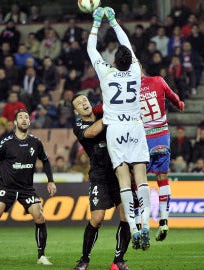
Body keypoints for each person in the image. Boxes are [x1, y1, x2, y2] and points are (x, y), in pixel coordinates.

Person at [87, 7, 151, 250]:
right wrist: (114, 22)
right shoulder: (135, 71)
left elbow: (91, 49)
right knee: (141, 178)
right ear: (131, 59)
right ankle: (144, 224)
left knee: (124, 179)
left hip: (115, 129)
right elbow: (127, 45)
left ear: (114, 61)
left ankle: (133, 228)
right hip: (135, 127)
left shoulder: (105, 73)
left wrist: (97, 23)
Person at [0, 109, 57, 265]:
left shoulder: (36, 142)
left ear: (29, 122)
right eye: (20, 117)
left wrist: (50, 180)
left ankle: (41, 256)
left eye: (26, 117)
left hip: (26, 189)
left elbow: (45, 160)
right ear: (15, 123)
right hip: (7, 187)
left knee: (40, 216)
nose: (24, 119)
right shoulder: (6, 142)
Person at [72, 94, 131, 270]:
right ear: (76, 111)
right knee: (97, 219)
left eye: (85, 100)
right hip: (99, 175)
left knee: (126, 216)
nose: (84, 103)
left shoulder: (103, 114)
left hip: (118, 171)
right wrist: (111, 114)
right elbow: (92, 132)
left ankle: (118, 261)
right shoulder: (79, 126)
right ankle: (84, 260)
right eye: (79, 103)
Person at [140, 74, 184, 241]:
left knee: (139, 179)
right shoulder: (158, 80)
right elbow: (174, 98)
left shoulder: (129, 87)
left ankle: (142, 224)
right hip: (162, 135)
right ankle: (164, 220)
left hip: (144, 138)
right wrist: (180, 104)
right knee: (163, 178)